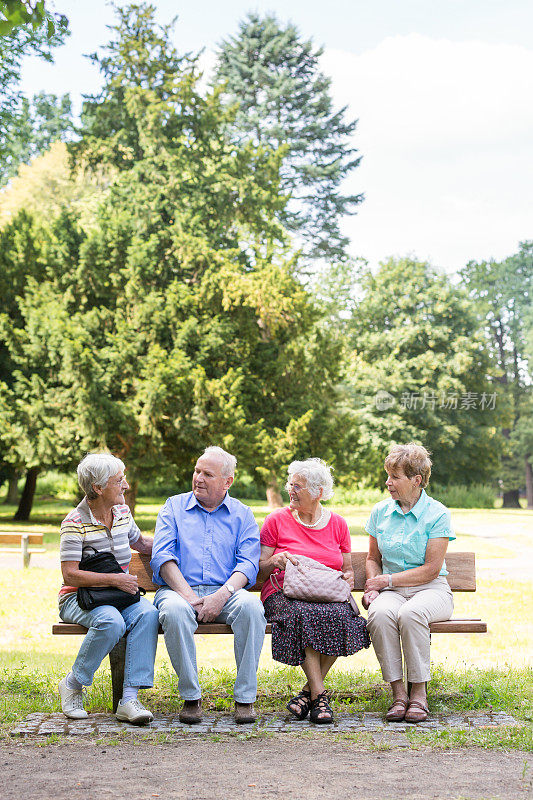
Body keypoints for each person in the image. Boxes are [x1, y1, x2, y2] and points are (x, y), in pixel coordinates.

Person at [150, 446, 266, 724]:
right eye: (197, 471)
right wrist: (190, 598)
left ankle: (245, 698)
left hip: (227, 592)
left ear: (228, 482)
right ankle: (191, 697)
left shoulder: (242, 514)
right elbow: (163, 556)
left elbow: (248, 565)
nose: (198, 478)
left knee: (252, 607)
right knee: (175, 613)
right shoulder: (173, 506)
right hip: (179, 590)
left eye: (208, 474)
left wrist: (222, 595)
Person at [258, 458, 370, 725]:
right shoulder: (276, 520)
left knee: (345, 618)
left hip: (326, 593)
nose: (291, 490)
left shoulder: (338, 525)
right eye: (290, 484)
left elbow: (346, 569)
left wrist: (349, 576)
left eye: (298, 486)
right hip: (284, 593)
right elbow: (259, 569)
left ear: (318, 492)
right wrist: (274, 561)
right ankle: (320, 696)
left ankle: (307, 694)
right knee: (304, 614)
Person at [58, 453, 159, 724]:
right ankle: (73, 683)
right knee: (111, 622)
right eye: (119, 480)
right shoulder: (74, 523)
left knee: (148, 613)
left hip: (117, 597)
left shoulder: (122, 513)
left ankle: (129, 700)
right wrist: (115, 580)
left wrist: (179, 544)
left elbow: (141, 544)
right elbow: (69, 575)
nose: (125, 485)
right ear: (98, 488)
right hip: (78, 598)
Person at [364, 443, 455, 723]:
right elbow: (372, 558)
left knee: (411, 613)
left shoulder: (437, 513)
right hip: (392, 591)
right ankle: (398, 695)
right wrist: (373, 586)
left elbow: (431, 570)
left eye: (395, 477)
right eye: (388, 475)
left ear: (416, 480)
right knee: (379, 614)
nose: (388, 483)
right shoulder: (380, 512)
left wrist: (386, 579)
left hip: (431, 590)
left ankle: (419, 694)